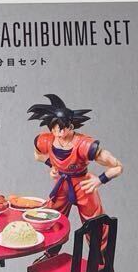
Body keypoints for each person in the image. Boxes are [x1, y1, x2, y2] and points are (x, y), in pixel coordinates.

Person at [29, 94, 122, 226]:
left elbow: (117, 167)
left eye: (62, 127)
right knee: (51, 219)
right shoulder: (46, 140)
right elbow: (37, 155)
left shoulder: (84, 145)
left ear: (71, 126)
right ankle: (54, 240)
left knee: (94, 223)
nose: (58, 132)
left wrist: (100, 179)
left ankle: (96, 240)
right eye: (54, 127)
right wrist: (52, 165)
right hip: (61, 184)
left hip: (83, 186)